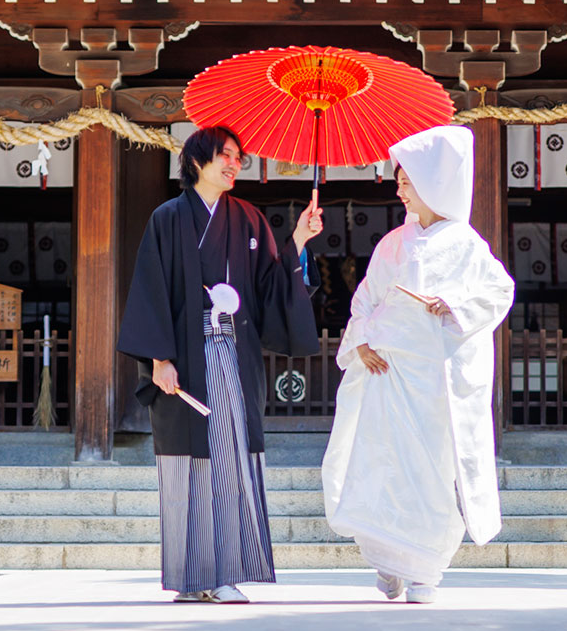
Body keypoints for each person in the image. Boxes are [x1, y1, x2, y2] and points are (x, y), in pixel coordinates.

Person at [118, 126, 323, 604]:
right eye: (224, 156)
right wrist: (160, 359)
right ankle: (192, 577)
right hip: (185, 360)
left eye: (238, 156)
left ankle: (225, 571)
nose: (234, 164)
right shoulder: (167, 218)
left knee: (230, 458)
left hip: (231, 354)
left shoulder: (249, 219)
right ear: (195, 162)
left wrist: (299, 237)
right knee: (186, 465)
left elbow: (271, 286)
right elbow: (151, 288)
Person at [322, 125, 515, 604]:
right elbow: (364, 299)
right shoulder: (393, 243)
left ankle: (425, 570)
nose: (399, 186)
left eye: (406, 178)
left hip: (434, 382)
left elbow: (498, 293)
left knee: (431, 473)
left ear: (431, 183)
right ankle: (387, 561)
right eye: (400, 178)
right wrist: (362, 340)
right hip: (388, 375)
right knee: (384, 466)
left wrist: (450, 304)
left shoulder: (468, 245)